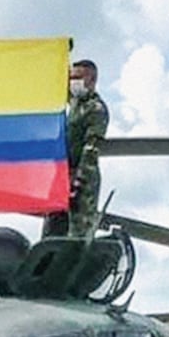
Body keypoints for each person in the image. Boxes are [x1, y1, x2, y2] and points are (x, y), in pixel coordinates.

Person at [42, 59, 109, 239]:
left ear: (92, 80)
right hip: (63, 178)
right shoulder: (75, 101)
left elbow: (91, 151)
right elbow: (58, 82)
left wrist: (77, 184)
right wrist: (59, 54)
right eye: (71, 78)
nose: (73, 82)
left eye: (78, 77)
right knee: (52, 231)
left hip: (82, 181)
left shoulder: (95, 110)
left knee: (76, 235)